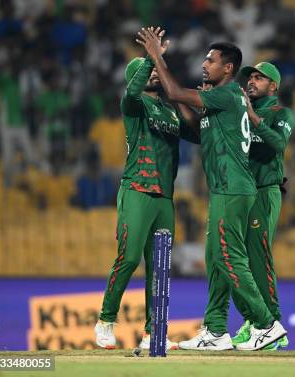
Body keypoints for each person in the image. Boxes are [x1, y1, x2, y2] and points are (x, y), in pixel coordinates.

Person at [136, 28, 287, 351]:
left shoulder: (229, 94)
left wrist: (157, 58)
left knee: (230, 257)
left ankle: (265, 323)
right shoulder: (222, 105)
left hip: (234, 188)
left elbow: (176, 92)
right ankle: (216, 330)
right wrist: (174, 98)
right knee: (216, 258)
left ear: (228, 68)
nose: (205, 64)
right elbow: (195, 129)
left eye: (211, 60)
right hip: (225, 188)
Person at [94, 28, 199, 351]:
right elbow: (133, 88)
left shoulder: (167, 109)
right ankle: (105, 321)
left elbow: (195, 133)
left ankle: (155, 332)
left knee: (159, 267)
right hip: (137, 189)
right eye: (148, 71)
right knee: (128, 259)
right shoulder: (133, 105)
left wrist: (176, 96)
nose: (154, 73)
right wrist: (153, 57)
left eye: (154, 71)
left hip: (164, 197)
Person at [228, 62, 294, 350]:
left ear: (274, 86)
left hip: (265, 192)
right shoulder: (240, 112)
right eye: (250, 77)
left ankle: (273, 324)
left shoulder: (280, 113)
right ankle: (255, 321)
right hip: (240, 194)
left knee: (258, 258)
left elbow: (278, 144)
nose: (252, 81)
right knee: (236, 261)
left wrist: (252, 116)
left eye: (259, 78)